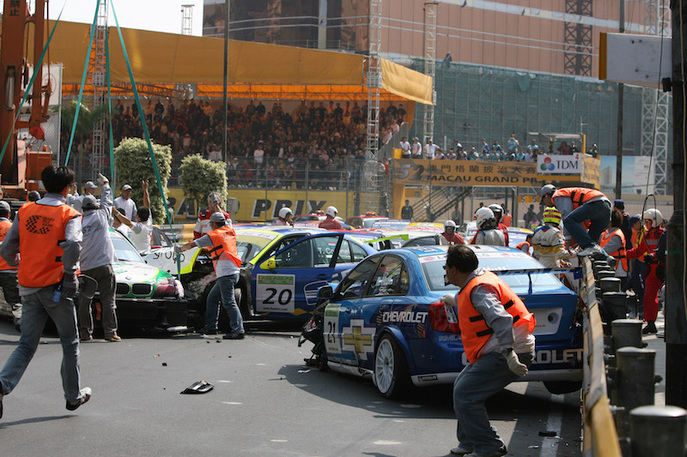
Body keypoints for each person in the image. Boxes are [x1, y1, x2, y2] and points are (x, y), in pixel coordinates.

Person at [0, 165, 91, 419]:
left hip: (28, 286)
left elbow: (7, 247)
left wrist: (21, 262)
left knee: (26, 344)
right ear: (67, 188)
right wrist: (70, 270)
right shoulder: (69, 214)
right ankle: (72, 396)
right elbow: (73, 242)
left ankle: (3, 384)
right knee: (70, 343)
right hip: (56, 287)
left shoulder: (25, 210)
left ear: (44, 185)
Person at [444, 245, 535, 457]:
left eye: (446, 267)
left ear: (454, 269)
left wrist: (509, 353)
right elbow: (475, 305)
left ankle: (489, 445)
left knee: (465, 394)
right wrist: (454, 300)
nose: (446, 272)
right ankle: (469, 442)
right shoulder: (475, 283)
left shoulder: (478, 289)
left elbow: (502, 319)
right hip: (501, 349)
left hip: (509, 352)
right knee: (461, 386)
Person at [175, 212, 245, 339]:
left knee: (229, 302)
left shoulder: (213, 235)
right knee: (212, 298)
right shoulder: (229, 231)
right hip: (232, 271)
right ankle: (211, 327)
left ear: (213, 224)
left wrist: (179, 249)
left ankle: (238, 330)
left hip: (226, 273)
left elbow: (192, 244)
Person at [77, 174, 120, 342]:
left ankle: (85, 333)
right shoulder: (102, 216)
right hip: (104, 266)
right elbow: (107, 200)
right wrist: (106, 184)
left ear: (83, 209)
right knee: (108, 300)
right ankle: (110, 332)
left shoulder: (78, 223)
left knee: (84, 302)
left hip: (86, 268)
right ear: (95, 206)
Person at [540, 184, 612, 261]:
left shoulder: (558, 195)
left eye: (544, 201)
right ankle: (607, 258)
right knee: (591, 243)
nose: (546, 205)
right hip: (606, 207)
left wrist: (567, 240)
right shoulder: (567, 196)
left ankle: (590, 247)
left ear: (546, 195)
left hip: (596, 203)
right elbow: (579, 225)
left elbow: (566, 214)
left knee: (569, 221)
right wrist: (578, 241)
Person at [626, 209, 665, 334]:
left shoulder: (664, 234)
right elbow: (639, 251)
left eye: (647, 221)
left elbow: (663, 251)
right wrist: (622, 254)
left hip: (663, 268)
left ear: (653, 221)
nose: (645, 224)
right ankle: (650, 323)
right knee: (649, 296)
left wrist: (653, 255)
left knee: (668, 295)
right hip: (652, 269)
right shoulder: (647, 235)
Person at [113, 180, 152, 254]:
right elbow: (147, 206)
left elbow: (128, 223)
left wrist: (116, 213)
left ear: (137, 217)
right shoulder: (149, 222)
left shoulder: (139, 228)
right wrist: (145, 190)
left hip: (140, 255)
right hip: (147, 252)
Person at [0, 201, 21, 331]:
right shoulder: (13, 228)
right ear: (8, 214)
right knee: (16, 302)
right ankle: (21, 323)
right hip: (11, 270)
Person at [600, 209, 629, 290]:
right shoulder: (605, 233)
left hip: (618, 272)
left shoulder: (617, 235)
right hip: (610, 269)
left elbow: (606, 250)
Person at [626, 214, 646, 317]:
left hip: (644, 260)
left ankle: (643, 299)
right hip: (638, 259)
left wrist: (626, 254)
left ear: (637, 223)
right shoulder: (637, 232)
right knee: (635, 278)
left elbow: (641, 249)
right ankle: (641, 297)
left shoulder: (644, 232)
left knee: (643, 280)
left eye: (633, 225)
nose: (632, 228)